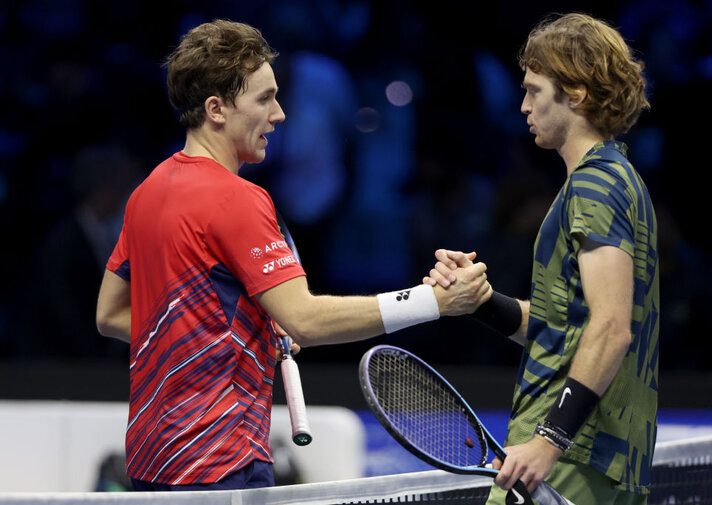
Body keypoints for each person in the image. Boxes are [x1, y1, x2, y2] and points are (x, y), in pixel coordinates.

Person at [95, 19, 492, 492]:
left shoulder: (147, 193)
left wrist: (238, 334)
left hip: (149, 461)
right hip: (220, 462)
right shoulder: (237, 199)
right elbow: (306, 320)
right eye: (264, 99)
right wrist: (434, 303)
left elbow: (111, 314)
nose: (280, 114)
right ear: (216, 108)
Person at [425, 13, 658, 505]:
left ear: (575, 93)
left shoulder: (595, 184)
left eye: (534, 90)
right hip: (592, 455)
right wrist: (481, 301)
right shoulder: (616, 179)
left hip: (574, 455)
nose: (523, 105)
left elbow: (612, 327)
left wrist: (549, 440)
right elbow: (567, 326)